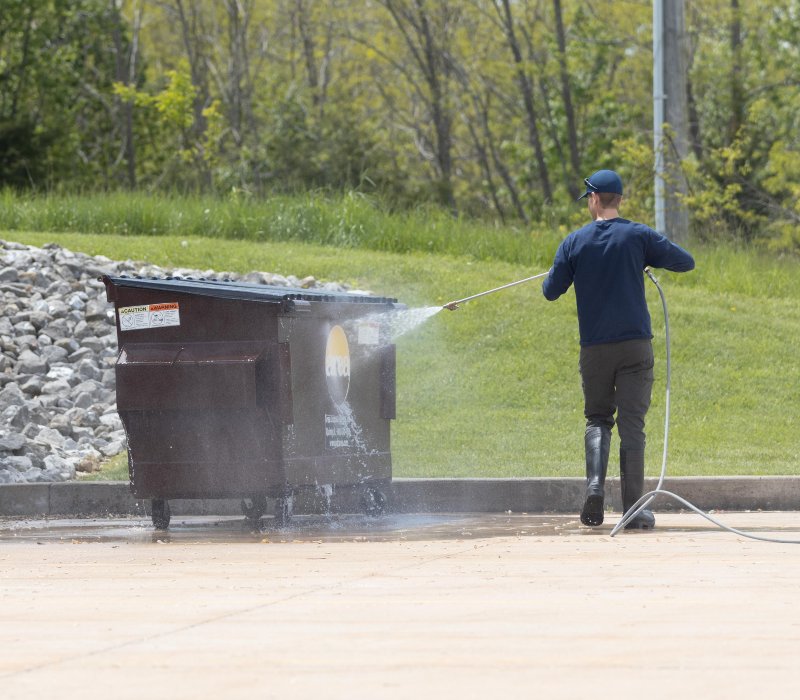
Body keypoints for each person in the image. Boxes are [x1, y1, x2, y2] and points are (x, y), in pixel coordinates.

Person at [542, 169, 695, 529]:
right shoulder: (638, 235)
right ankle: (633, 510)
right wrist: (646, 256)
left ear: (593, 199)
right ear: (619, 200)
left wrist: (565, 267)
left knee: (597, 418)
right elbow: (685, 261)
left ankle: (595, 487)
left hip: (595, 349)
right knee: (633, 426)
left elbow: (550, 290)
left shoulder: (574, 242)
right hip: (635, 347)